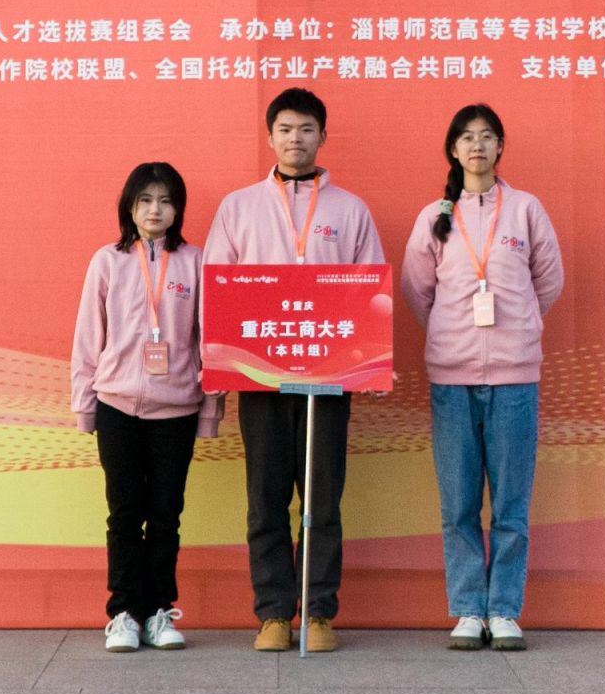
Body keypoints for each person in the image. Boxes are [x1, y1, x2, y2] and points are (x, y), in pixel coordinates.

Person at [205, 88, 384, 653]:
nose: (295, 139)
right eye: (285, 129)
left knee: (321, 499)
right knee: (265, 498)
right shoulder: (238, 208)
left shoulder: (350, 210)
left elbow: (370, 291)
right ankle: (274, 615)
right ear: (270, 137)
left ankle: (319, 612)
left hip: (328, 378)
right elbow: (216, 291)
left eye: (306, 129)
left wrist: (370, 363)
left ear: (322, 137)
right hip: (259, 377)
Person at [398, 104, 563, 651]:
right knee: (459, 503)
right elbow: (417, 290)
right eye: (467, 138)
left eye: (487, 137)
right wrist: (451, 334)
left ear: (500, 147)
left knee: (512, 504)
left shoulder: (526, 210)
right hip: (452, 378)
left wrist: (518, 326)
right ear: (453, 149)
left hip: (515, 378)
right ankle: (469, 609)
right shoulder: (434, 217)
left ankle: (505, 610)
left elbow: (549, 281)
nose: (477, 146)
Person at [71, 162, 222, 653]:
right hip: (116, 405)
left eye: (165, 201)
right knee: (123, 513)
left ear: (178, 209)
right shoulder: (107, 261)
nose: (155, 210)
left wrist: (209, 411)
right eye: (145, 201)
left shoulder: (195, 262)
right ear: (130, 207)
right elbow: (88, 339)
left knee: (165, 515)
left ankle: (158, 611)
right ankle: (122, 614)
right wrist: (85, 406)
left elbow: (210, 341)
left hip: (176, 408)